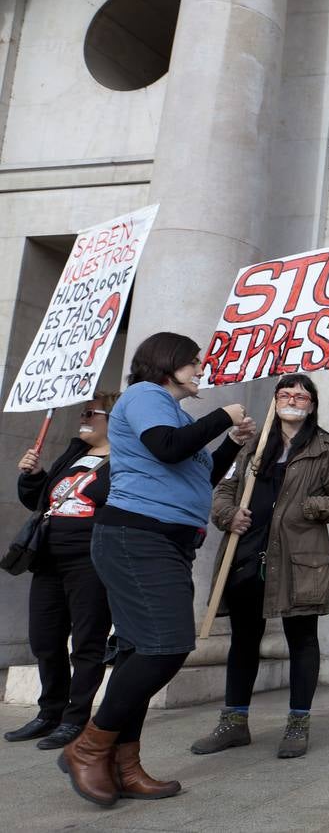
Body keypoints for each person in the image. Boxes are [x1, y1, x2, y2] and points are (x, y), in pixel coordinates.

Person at [58, 332, 254, 808]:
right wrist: (221, 416)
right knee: (168, 646)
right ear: (169, 364)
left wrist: (229, 443)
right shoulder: (146, 396)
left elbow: (196, 473)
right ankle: (88, 746)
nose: (200, 368)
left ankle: (124, 764)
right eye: (194, 362)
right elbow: (168, 448)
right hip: (136, 536)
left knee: (138, 652)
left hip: (166, 541)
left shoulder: (174, 413)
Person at [193, 373, 329, 760]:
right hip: (248, 554)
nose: (293, 400)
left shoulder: (326, 448)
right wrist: (227, 515)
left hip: (299, 561)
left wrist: (309, 507)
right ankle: (234, 723)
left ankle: (298, 724)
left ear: (312, 405)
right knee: (243, 640)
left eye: (301, 396)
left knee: (302, 640)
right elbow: (223, 488)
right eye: (285, 394)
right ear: (274, 401)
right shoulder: (253, 445)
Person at [4, 393, 117, 751]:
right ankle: (49, 712)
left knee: (87, 644)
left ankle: (75, 718)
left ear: (112, 419)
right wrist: (33, 477)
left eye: (91, 413)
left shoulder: (125, 461)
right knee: (44, 640)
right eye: (82, 412)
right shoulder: (73, 455)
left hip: (91, 563)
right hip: (50, 562)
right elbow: (41, 503)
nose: (83, 418)